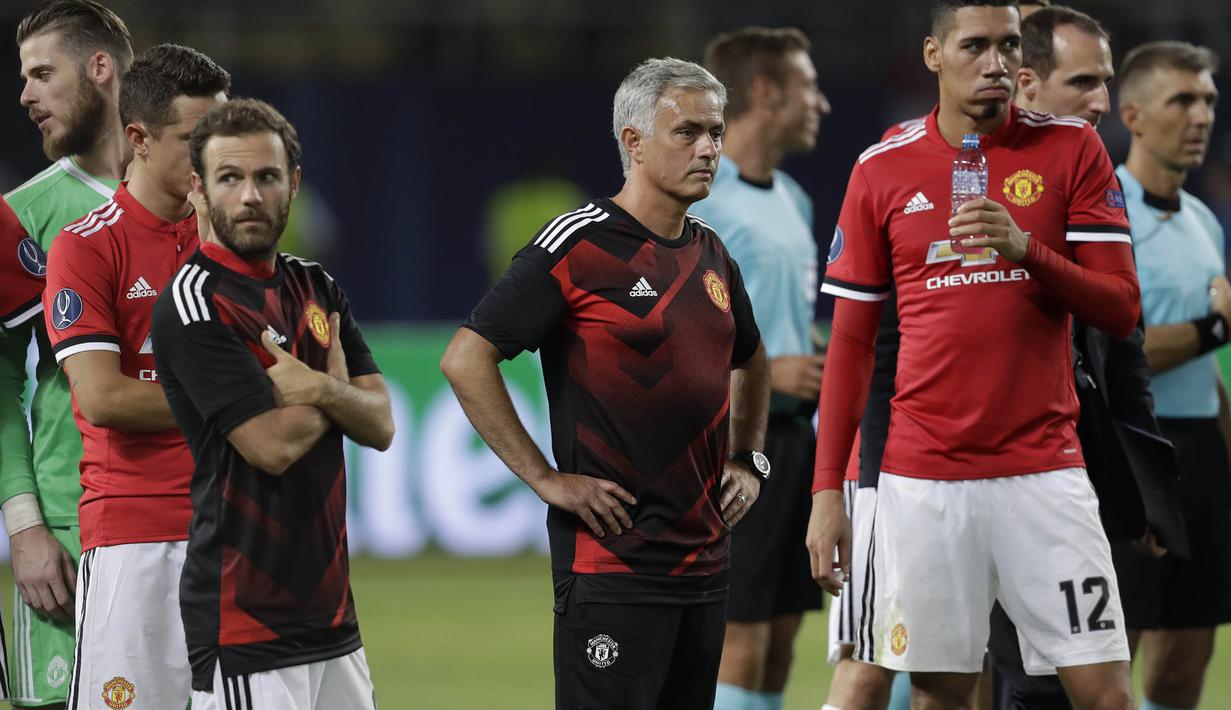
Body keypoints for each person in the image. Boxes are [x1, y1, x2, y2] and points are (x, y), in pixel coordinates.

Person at [806, 1, 1141, 709]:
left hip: (1045, 473)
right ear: (934, 55)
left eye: (1010, 45)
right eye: (976, 46)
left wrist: (1026, 251)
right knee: (940, 693)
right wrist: (826, 491)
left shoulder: (1072, 149)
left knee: (1105, 690)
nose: (997, 63)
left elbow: (1118, 306)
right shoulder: (881, 170)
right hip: (922, 482)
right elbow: (851, 344)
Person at [441, 58, 771, 710]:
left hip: (703, 568)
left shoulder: (711, 253)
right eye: (688, 132)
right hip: (612, 570)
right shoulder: (577, 245)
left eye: (715, 131)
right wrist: (543, 478)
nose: (709, 148)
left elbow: (752, 360)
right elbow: (465, 358)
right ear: (633, 142)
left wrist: (748, 456)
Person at [151, 99, 394, 709]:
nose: (251, 195)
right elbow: (271, 446)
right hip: (244, 623)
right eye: (230, 178)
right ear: (199, 190)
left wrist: (314, 388)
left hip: (332, 617)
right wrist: (334, 390)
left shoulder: (315, 285)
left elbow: (382, 422)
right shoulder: (194, 304)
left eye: (266, 176)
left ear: (294, 184)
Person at [41, 43, 230, 709]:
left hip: (241, 533)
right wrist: (239, 397)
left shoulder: (236, 244)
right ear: (138, 139)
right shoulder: (89, 247)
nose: (216, 159)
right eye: (195, 140)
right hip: (137, 540)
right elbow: (103, 396)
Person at [688, 27, 829, 710]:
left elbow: (778, 319)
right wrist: (776, 367)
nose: (821, 104)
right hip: (730, 445)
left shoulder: (793, 200)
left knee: (779, 639)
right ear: (767, 95)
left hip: (797, 442)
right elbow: (668, 341)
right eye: (808, 87)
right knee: (736, 637)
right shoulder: (701, 204)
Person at [2, 2, 132, 706]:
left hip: (184, 524)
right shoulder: (21, 216)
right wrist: (24, 526)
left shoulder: (194, 200)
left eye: (43, 75)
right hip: (66, 533)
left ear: (100, 69)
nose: (25, 96)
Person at [1113, 40, 1227, 710]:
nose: (1200, 116)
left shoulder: (1202, 221)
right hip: (1128, 451)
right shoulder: (1102, 215)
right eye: (1181, 100)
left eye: (1208, 100)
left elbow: (1206, 373)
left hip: (1199, 454)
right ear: (1131, 113)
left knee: (1184, 671)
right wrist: (1215, 329)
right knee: (1103, 667)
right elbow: (1112, 352)